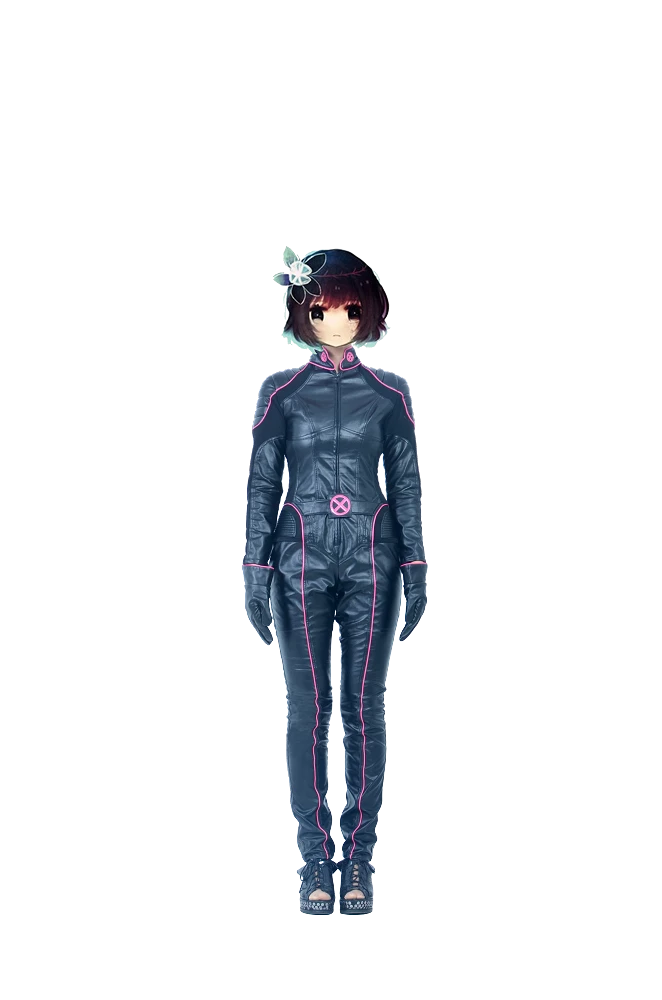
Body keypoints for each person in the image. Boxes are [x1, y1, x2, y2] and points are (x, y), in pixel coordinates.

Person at [242, 248, 427, 916]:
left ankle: (362, 858)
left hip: (371, 558)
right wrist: (255, 567)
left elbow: (406, 484)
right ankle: (316, 855)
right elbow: (264, 483)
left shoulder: (390, 396)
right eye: (322, 309)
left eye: (350, 308)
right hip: (301, 557)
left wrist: (415, 565)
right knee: (308, 706)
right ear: (304, 314)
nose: (337, 320)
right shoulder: (282, 394)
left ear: (368, 311)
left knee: (365, 706)